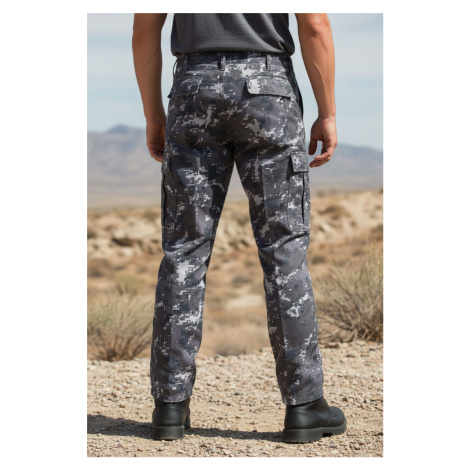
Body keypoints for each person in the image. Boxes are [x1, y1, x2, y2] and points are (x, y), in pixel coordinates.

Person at [132, 13, 346, 444]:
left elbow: (144, 28)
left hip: (192, 90)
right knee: (284, 251)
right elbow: (314, 25)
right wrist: (328, 112)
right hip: (269, 92)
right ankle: (304, 405)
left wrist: (154, 114)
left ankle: (170, 405)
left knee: (184, 253)